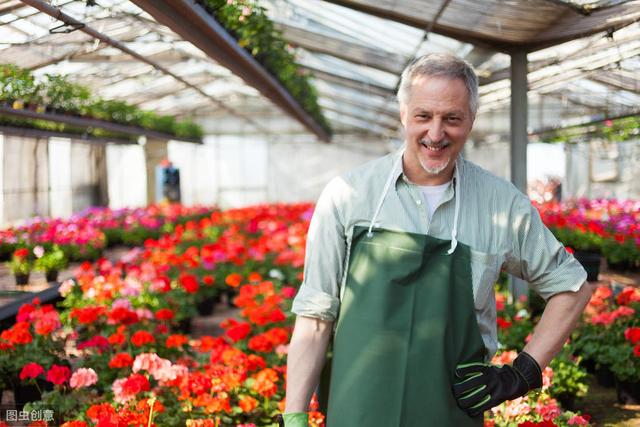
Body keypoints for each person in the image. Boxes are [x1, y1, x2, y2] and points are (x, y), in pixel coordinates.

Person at [280, 53, 592, 427]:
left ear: (471, 120)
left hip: (450, 412)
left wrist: (521, 372)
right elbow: (315, 315)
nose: (435, 133)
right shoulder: (349, 196)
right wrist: (294, 416)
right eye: (423, 116)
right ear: (403, 114)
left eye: (452, 119)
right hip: (358, 408)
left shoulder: (501, 205)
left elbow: (572, 287)